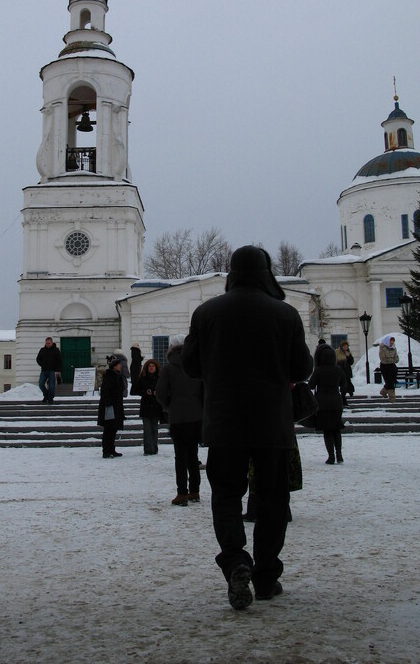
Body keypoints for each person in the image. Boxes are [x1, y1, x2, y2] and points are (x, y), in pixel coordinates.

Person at [182, 245, 313, 610]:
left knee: (226, 494)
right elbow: (301, 369)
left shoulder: (207, 313)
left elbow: (191, 365)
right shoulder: (285, 314)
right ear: (266, 271)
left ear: (232, 271)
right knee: (272, 497)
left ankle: (236, 561)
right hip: (272, 422)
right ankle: (267, 577)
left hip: (224, 421)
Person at [156, 335, 203, 505]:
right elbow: (204, 390)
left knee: (180, 456)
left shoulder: (169, 368)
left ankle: (182, 493)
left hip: (178, 417)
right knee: (193, 454)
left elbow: (160, 392)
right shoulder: (197, 366)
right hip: (196, 416)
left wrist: (169, 404)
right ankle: (195, 491)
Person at [309, 344, 347, 464]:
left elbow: (311, 385)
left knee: (327, 430)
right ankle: (339, 455)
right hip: (336, 402)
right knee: (336, 429)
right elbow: (344, 384)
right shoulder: (338, 370)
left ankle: (331, 457)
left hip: (322, 403)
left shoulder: (319, 370)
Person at [97, 354, 125, 458]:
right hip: (110, 407)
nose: (120, 366)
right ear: (114, 366)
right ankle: (106, 450)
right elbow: (106, 392)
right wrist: (109, 405)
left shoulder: (117, 376)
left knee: (113, 429)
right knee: (109, 430)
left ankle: (111, 449)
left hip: (116, 406)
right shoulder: (110, 376)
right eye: (118, 364)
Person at [136, 358, 162, 455]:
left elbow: (165, 390)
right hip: (146, 406)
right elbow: (136, 390)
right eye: (149, 366)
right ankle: (148, 449)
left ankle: (154, 448)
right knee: (147, 429)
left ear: (156, 368)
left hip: (156, 406)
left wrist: (157, 393)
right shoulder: (142, 378)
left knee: (154, 429)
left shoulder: (160, 378)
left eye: (153, 366)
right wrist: (145, 392)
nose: (151, 368)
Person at [36, 337, 62, 404]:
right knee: (41, 384)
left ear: (52, 343)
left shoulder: (56, 350)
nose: (47, 344)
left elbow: (59, 361)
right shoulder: (42, 350)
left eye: (49, 343)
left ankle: (50, 398)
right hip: (44, 370)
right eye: (46, 343)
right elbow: (38, 359)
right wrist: (42, 364)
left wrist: (58, 370)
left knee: (51, 386)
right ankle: (46, 395)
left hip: (52, 371)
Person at [335, 340, 355, 406]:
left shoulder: (348, 352)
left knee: (348, 385)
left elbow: (351, 362)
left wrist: (348, 356)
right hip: (341, 373)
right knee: (343, 388)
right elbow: (336, 363)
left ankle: (349, 393)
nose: (346, 348)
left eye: (347, 347)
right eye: (344, 347)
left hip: (347, 372)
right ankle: (344, 401)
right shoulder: (337, 352)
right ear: (342, 347)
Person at [378, 335, 399, 401]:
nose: (391, 344)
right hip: (385, 367)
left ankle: (383, 392)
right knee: (389, 382)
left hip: (392, 367)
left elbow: (396, 358)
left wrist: (392, 360)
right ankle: (392, 398)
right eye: (390, 342)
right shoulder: (383, 349)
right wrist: (391, 360)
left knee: (392, 381)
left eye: (392, 343)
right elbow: (383, 359)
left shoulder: (394, 348)